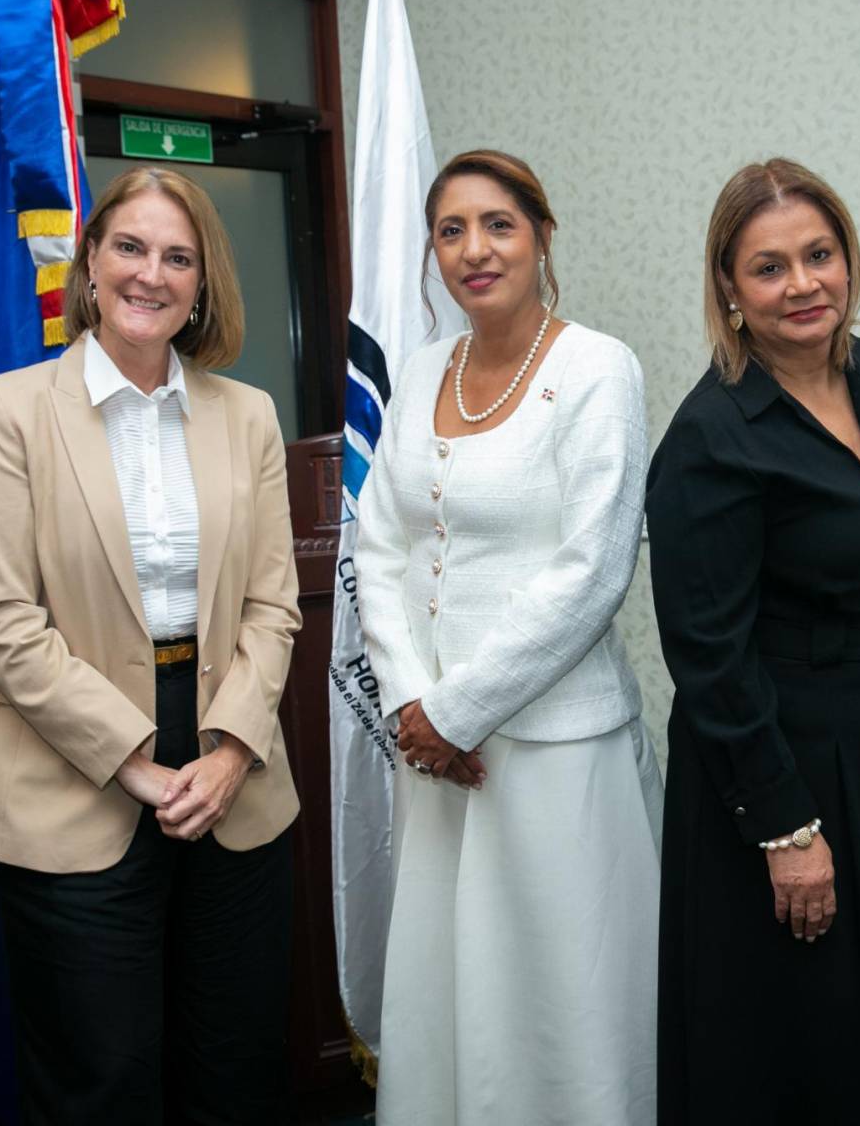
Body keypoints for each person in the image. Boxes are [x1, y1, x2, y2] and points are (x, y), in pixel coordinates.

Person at [0, 167, 302, 1125]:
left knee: (232, 1067)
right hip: (71, 763)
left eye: (178, 257)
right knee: (98, 1076)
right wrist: (139, 765)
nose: (153, 274)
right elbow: (1, 621)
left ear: (203, 284)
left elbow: (274, 605)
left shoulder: (250, 414)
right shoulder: (6, 412)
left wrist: (226, 750)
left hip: (232, 755)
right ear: (93, 265)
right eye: (131, 248)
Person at [647, 158, 860, 1124]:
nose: (802, 285)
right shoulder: (713, 433)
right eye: (769, 268)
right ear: (728, 292)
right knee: (802, 1034)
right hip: (777, 773)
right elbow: (709, 656)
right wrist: (786, 831)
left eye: (818, 255)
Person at [353, 149, 663, 1125]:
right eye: (450, 231)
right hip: (434, 761)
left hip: (553, 754)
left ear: (540, 236)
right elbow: (383, 546)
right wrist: (412, 706)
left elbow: (593, 569)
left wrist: (456, 710)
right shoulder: (418, 371)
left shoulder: (594, 368)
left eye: (497, 225)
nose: (473, 250)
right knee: (451, 994)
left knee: (561, 1000)